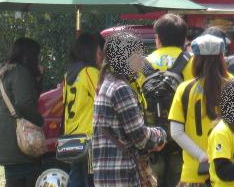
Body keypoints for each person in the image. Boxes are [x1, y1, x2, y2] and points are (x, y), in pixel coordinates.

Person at [92, 30, 167, 187]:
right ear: (124, 58)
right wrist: (161, 134)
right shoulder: (121, 89)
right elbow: (140, 138)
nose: (141, 60)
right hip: (122, 175)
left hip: (107, 175)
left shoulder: (106, 83)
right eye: (137, 55)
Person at [169, 34, 232, 187]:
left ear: (195, 60)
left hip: (194, 173)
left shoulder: (184, 89)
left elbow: (176, 132)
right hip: (228, 171)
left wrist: (202, 156)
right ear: (221, 58)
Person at [146, 13, 194, 187]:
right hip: (184, 142)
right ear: (184, 40)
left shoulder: (143, 63)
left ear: (158, 39)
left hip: (152, 141)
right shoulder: (193, 62)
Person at [0, 38, 43, 187]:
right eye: (37, 55)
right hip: (17, 139)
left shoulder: (7, 71)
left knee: (14, 179)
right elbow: (24, 103)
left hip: (6, 136)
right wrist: (40, 121)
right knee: (23, 178)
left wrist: (38, 78)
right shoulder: (20, 72)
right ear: (29, 55)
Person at [63, 33, 105, 187]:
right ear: (90, 51)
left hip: (72, 136)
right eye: (99, 52)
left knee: (76, 178)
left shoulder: (69, 74)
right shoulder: (89, 72)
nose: (101, 57)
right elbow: (103, 99)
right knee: (90, 180)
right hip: (89, 136)